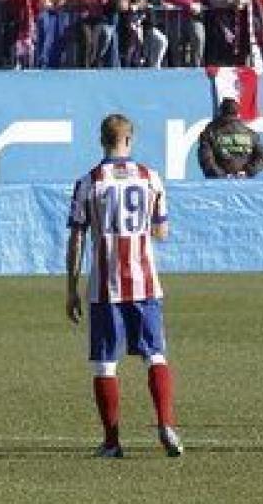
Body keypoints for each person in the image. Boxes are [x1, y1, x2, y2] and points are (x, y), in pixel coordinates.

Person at [66, 114, 182, 458]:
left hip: (105, 286)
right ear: (129, 140)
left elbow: (76, 238)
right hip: (145, 283)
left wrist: (71, 288)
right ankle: (165, 422)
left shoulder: (90, 181)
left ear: (102, 141)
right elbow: (161, 232)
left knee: (105, 363)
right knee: (155, 355)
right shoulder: (150, 178)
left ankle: (113, 441)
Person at [197, 97, 263, 179]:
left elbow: (206, 158)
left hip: (217, 184)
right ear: (237, 113)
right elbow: (262, 156)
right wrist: (247, 172)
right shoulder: (251, 134)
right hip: (244, 183)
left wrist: (220, 175)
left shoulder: (210, 133)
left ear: (220, 111)